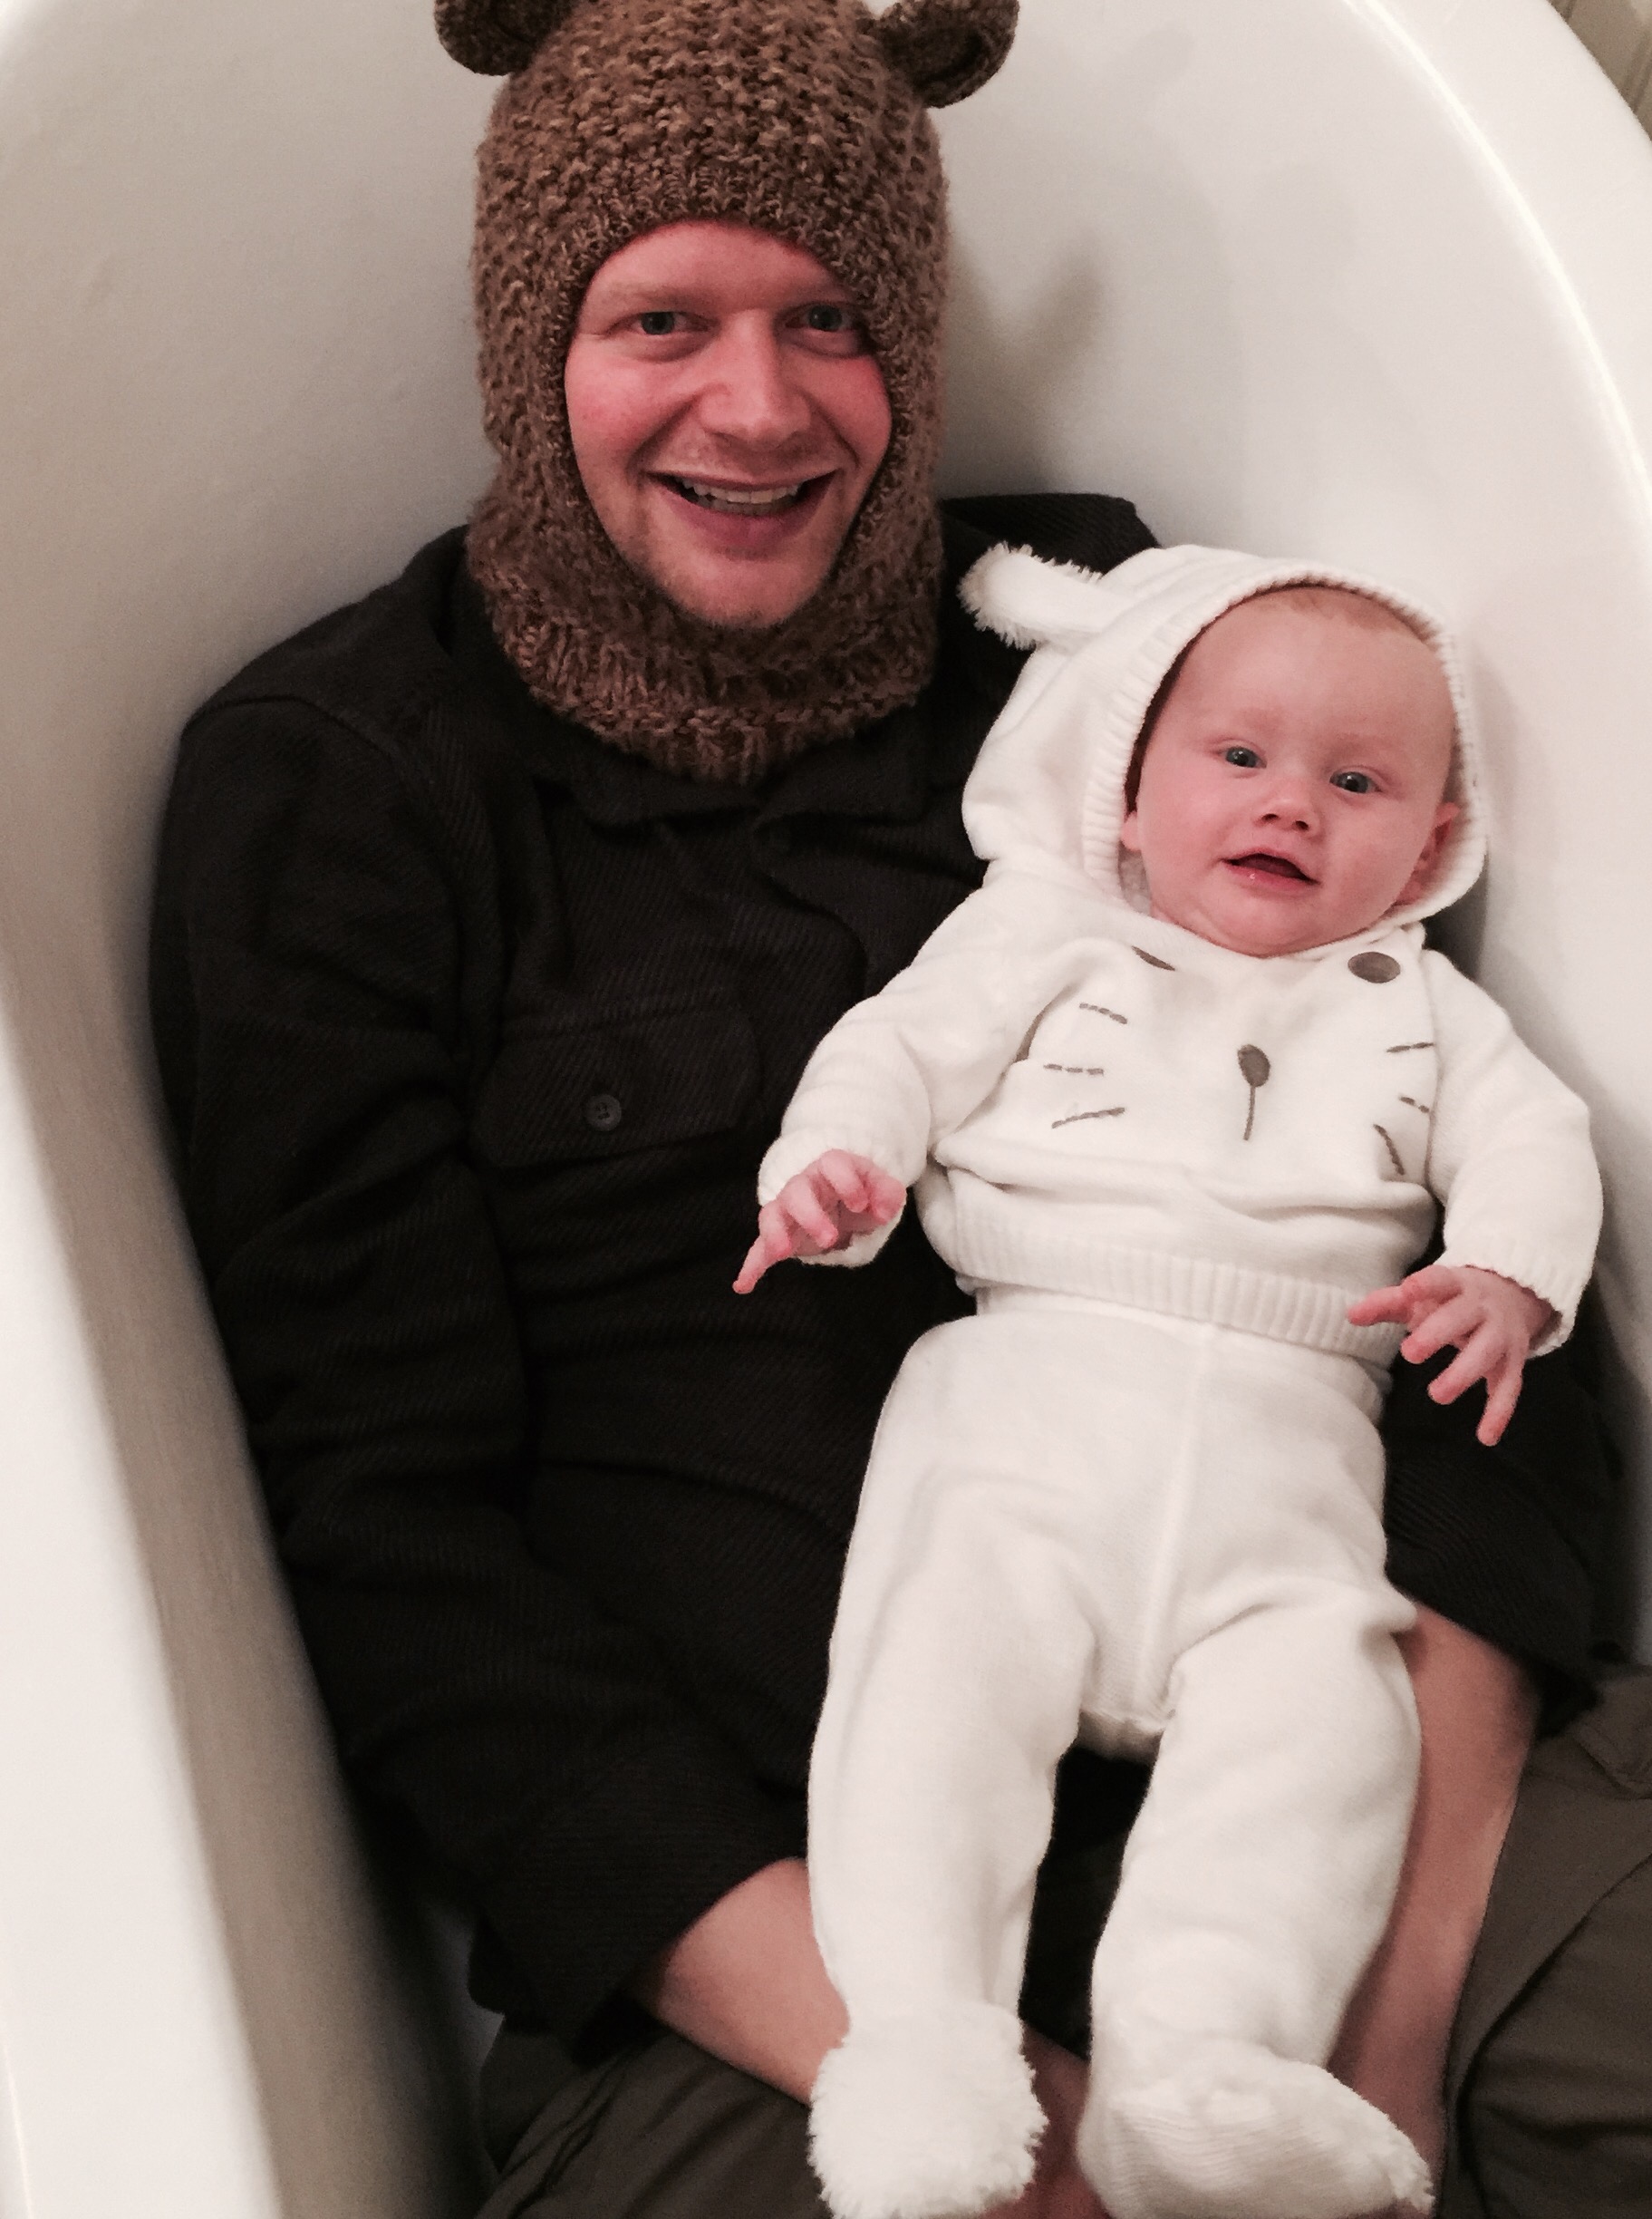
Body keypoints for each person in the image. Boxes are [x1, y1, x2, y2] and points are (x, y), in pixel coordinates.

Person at [145, 1, 1648, 2215]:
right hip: (780, 1966)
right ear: (531, 341)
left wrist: (1393, 2033)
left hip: (1347, 1794)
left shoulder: (1124, 680)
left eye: (830, 319)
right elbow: (394, 1553)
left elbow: (1462, 1262)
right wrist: (1000, 2130)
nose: (759, 408)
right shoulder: (344, 790)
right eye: (663, 318)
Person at [736, 549, 1600, 2219]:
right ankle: (923, 2049)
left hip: (1299, 1449)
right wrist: (838, 1167)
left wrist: (1506, 1275)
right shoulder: (1044, 934)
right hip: (1030, 1395)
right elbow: (898, 1048)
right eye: (1240, 758)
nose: (1291, 806)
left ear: (1430, 847)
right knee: (929, 1695)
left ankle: (1203, 2068)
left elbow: (1535, 1144)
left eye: (1356, 784)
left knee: (1325, 1735)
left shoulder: (1427, 1008)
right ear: (1130, 796)